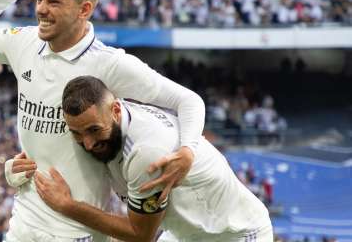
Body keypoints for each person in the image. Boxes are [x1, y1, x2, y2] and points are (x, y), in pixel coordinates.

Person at [0, 0, 205, 241]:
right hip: (23, 223)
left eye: (54, 2)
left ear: (84, 10)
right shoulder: (24, 41)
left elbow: (188, 101)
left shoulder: (109, 64)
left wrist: (187, 151)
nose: (41, 9)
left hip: (76, 232)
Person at [34, 76, 273, 242]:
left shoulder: (145, 153)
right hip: (186, 234)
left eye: (94, 130)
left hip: (235, 234)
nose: (88, 143)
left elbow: (141, 235)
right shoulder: (110, 122)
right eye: (77, 133)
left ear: (116, 111)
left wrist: (67, 206)